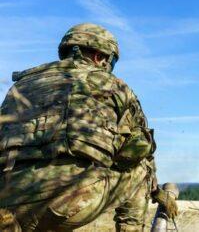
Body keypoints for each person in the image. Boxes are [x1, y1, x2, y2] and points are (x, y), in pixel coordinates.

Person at [0, 23, 177, 231]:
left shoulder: (20, 86)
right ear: (99, 56)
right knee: (141, 167)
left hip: (7, 198)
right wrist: (158, 194)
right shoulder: (114, 86)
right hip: (68, 200)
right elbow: (137, 151)